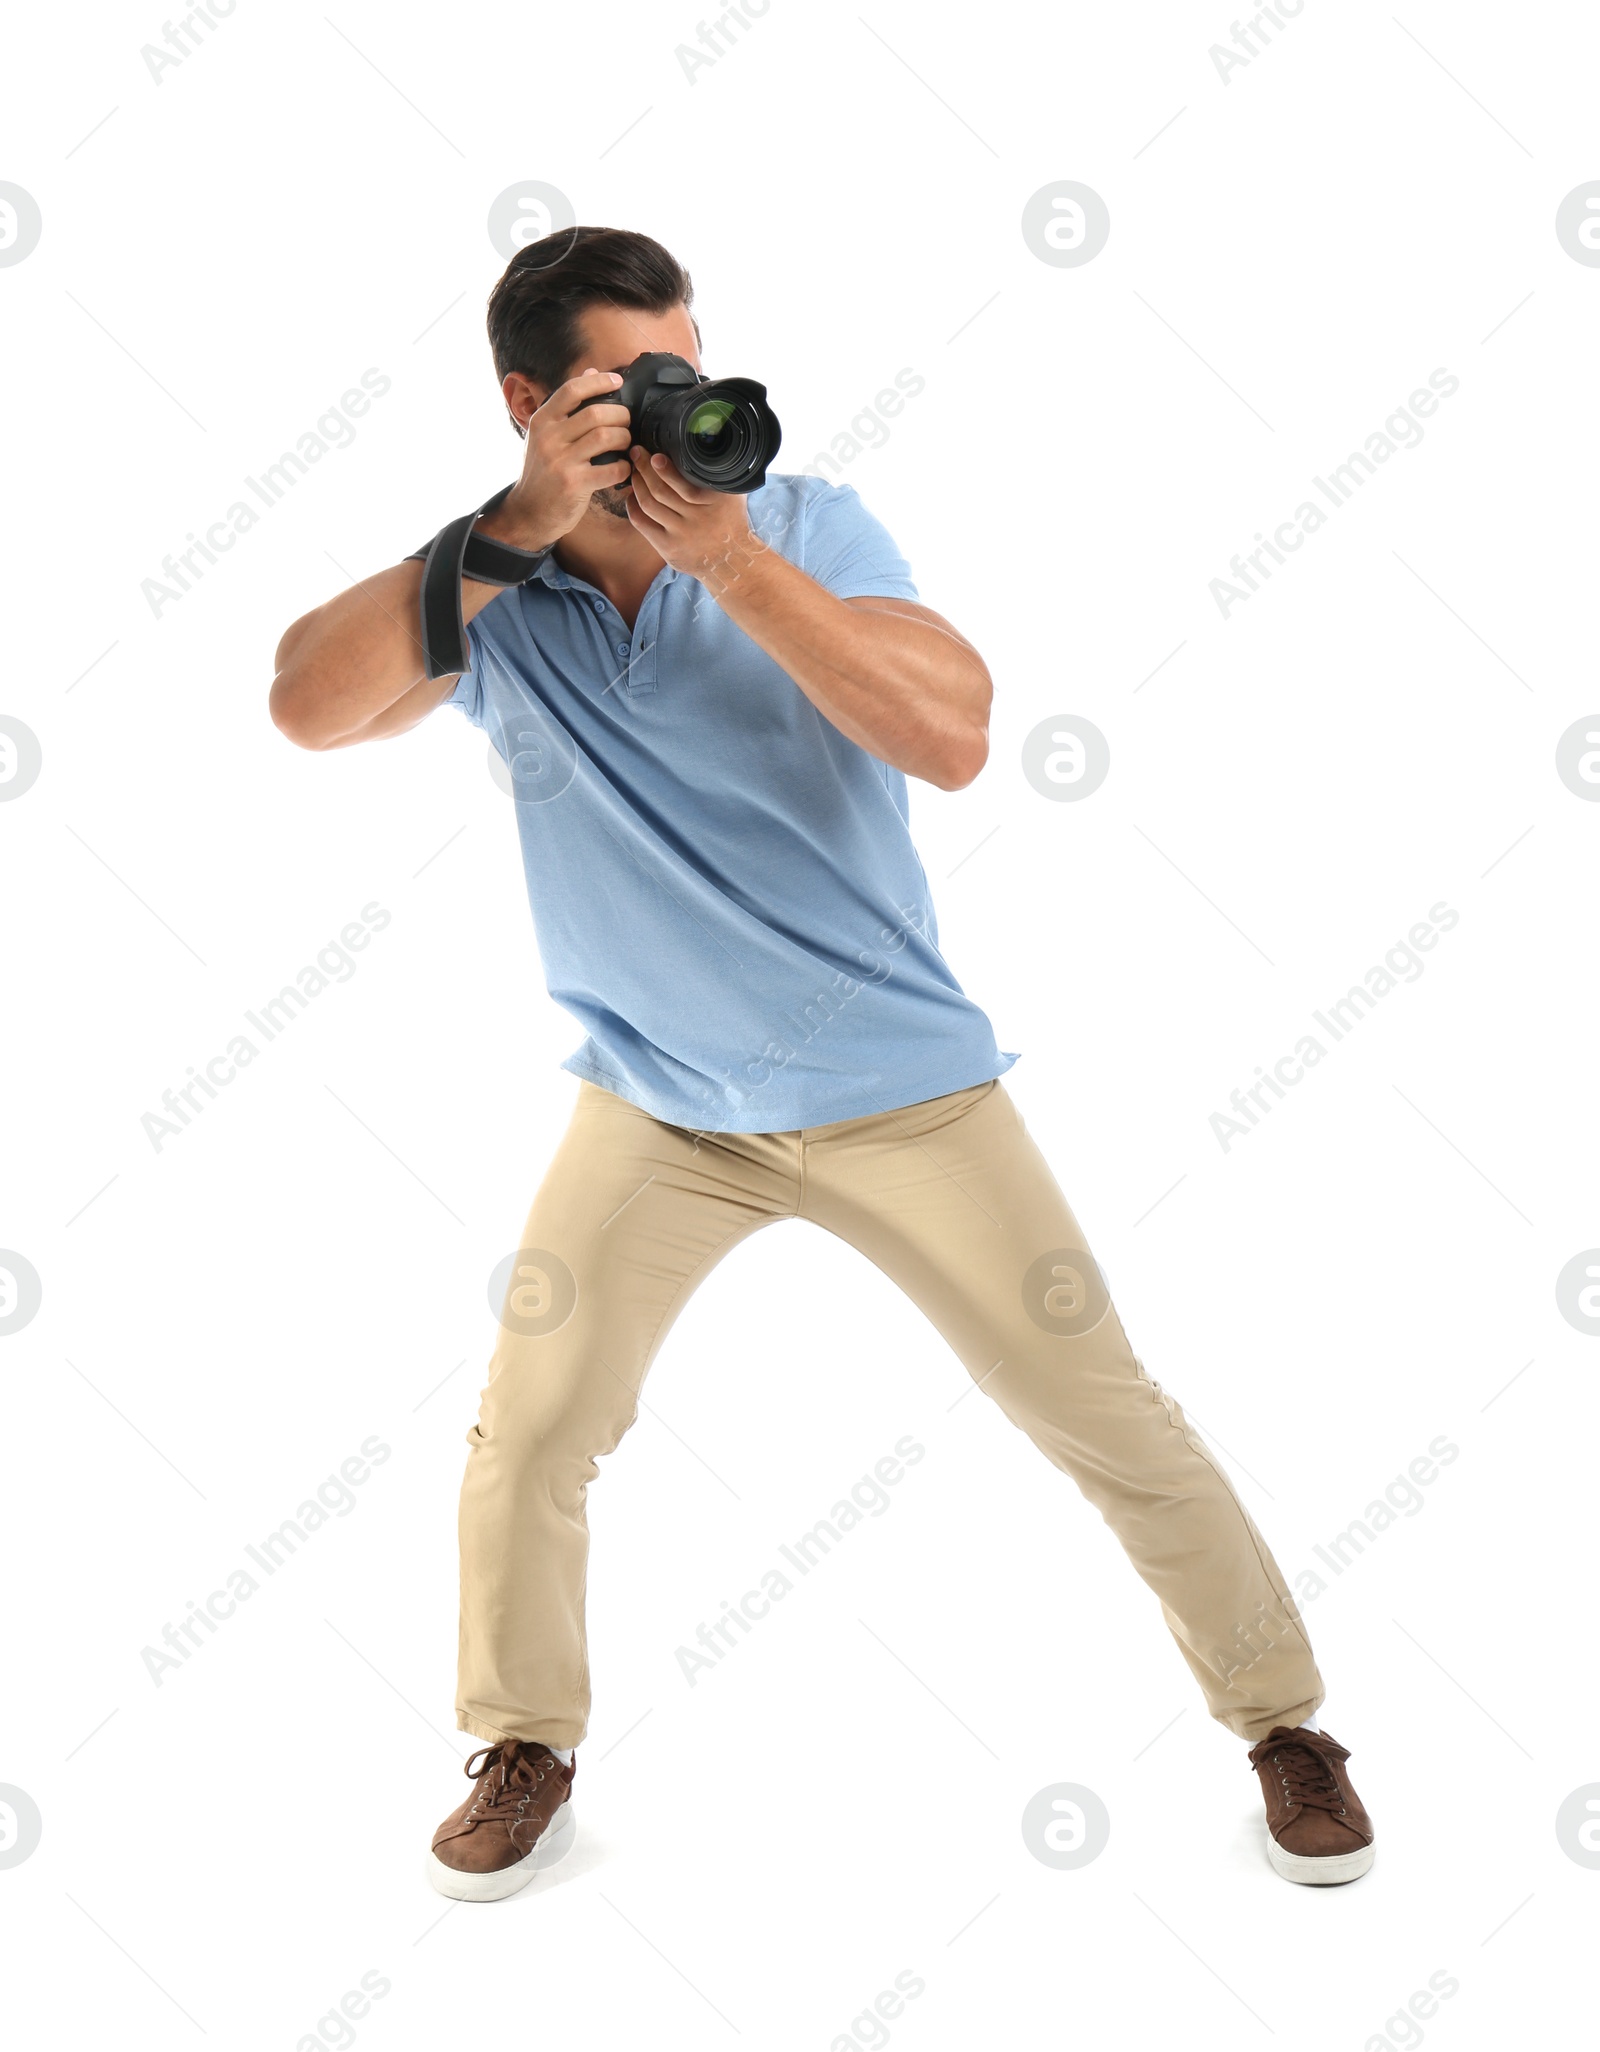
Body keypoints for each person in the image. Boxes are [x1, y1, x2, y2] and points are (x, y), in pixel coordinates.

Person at [269, 226, 1374, 1902]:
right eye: (629, 382)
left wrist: (727, 559)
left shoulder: (799, 524)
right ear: (529, 400)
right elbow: (306, 708)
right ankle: (523, 1745)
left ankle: (1283, 1725)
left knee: (1104, 1415)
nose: (671, 405)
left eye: (686, 369)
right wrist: (508, 533)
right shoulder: (495, 587)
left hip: (898, 1093)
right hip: (655, 1109)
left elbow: (951, 735)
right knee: (532, 1425)